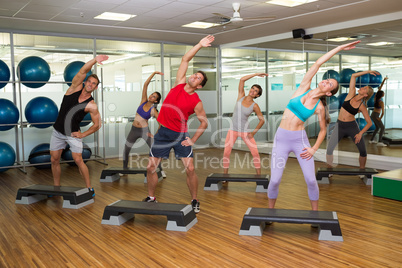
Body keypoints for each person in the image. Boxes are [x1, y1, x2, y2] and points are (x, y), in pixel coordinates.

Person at [268, 41, 360, 211]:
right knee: (274, 180)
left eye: (330, 84)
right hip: (281, 138)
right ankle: (270, 211)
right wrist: (339, 48)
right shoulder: (303, 87)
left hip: (299, 141)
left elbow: (323, 130)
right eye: (327, 80)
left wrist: (314, 148)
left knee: (310, 180)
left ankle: (315, 213)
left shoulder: (319, 107)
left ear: (329, 93)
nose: (326, 82)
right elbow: (318, 64)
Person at [144, 35, 214, 213]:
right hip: (163, 133)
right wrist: (199, 44)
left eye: (198, 78)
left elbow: (204, 122)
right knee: (151, 167)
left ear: (199, 86)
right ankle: (151, 197)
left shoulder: (196, 101)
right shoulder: (179, 84)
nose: (194, 77)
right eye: (195, 74)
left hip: (180, 136)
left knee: (190, 169)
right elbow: (185, 59)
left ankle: (195, 199)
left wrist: (193, 140)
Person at [50, 55, 108, 195]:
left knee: (78, 160)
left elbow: (97, 124)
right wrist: (94, 60)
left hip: (73, 134)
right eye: (89, 81)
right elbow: (82, 71)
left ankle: (89, 188)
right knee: (54, 159)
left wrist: (82, 134)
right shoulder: (74, 88)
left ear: (96, 87)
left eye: (94, 83)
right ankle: (57, 188)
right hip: (57, 131)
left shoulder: (91, 105)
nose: (90, 84)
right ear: (85, 82)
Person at [326, 70, 376, 169]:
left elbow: (369, 123)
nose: (361, 87)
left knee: (362, 150)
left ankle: (362, 171)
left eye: (364, 88)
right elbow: (353, 76)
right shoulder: (351, 94)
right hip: (339, 125)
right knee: (329, 149)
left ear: (365, 94)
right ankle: (329, 170)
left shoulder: (362, 106)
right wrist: (368, 71)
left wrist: (360, 133)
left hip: (351, 126)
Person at [122, 71, 166, 177]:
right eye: (152, 94)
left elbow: (161, 124)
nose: (151, 96)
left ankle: (161, 170)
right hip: (134, 130)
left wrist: (154, 135)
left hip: (145, 131)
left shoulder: (153, 110)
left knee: (154, 150)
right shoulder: (143, 101)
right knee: (126, 149)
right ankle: (124, 169)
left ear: (156, 101)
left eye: (154, 97)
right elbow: (146, 84)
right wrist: (154, 73)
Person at [222, 73, 267, 175]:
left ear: (257, 95)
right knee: (226, 152)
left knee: (255, 153)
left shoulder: (255, 106)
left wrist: (253, 133)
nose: (253, 91)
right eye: (252, 88)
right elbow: (242, 80)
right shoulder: (241, 96)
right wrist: (256, 74)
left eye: (256, 91)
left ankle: (259, 177)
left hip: (245, 131)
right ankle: (225, 175)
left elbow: (262, 120)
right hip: (233, 130)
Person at [369, 76, 388, 146]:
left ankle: (371, 140)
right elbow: (383, 112)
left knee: (377, 128)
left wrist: (384, 80)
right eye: (383, 93)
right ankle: (380, 141)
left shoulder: (376, 98)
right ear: (382, 95)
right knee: (382, 128)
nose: (384, 94)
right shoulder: (381, 102)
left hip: (373, 114)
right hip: (376, 115)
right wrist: (380, 118)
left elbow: (380, 88)